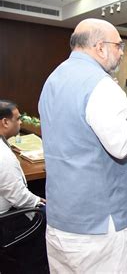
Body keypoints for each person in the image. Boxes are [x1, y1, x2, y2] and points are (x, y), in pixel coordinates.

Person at [38, 18, 127, 272]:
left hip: (62, 218)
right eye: (119, 45)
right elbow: (121, 143)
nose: (122, 52)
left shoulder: (52, 79)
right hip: (102, 228)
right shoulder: (101, 85)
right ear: (100, 47)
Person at [0, 100, 48, 273]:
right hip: (5, 221)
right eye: (17, 119)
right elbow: (18, 196)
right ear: (5, 122)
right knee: (47, 212)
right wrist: (39, 201)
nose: (20, 122)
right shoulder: (3, 157)